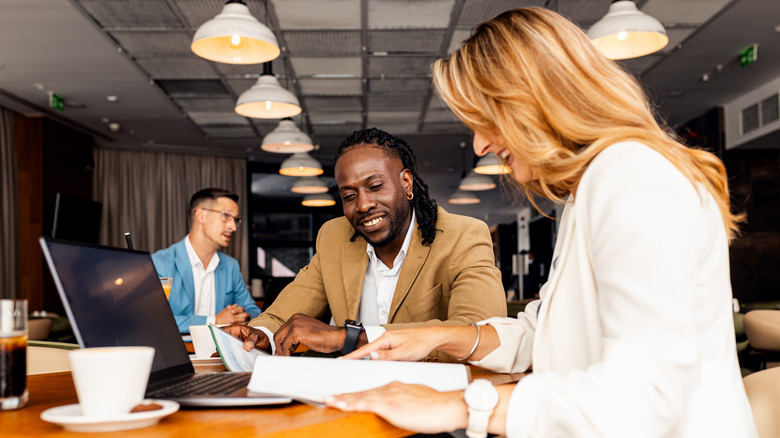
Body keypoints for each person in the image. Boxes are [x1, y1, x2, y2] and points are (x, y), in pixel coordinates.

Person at [326, 8, 759, 438]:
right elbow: (544, 332)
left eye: (486, 119)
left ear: (537, 97)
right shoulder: (592, 188)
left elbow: (642, 395)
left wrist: (460, 406)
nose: (479, 144)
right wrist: (437, 337)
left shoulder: (634, 177)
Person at [226, 128, 507, 359]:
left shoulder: (463, 236)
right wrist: (260, 334)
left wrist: (350, 338)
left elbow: (481, 333)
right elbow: (280, 315)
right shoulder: (334, 237)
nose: (362, 205)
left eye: (375, 187)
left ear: (406, 183)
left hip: (430, 406)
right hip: (350, 400)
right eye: (349, 196)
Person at [152, 188, 261, 333]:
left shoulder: (231, 266)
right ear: (201, 215)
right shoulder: (160, 263)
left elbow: (254, 312)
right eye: (226, 216)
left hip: (220, 353)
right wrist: (214, 321)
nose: (233, 227)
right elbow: (156, 320)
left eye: (235, 219)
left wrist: (238, 317)